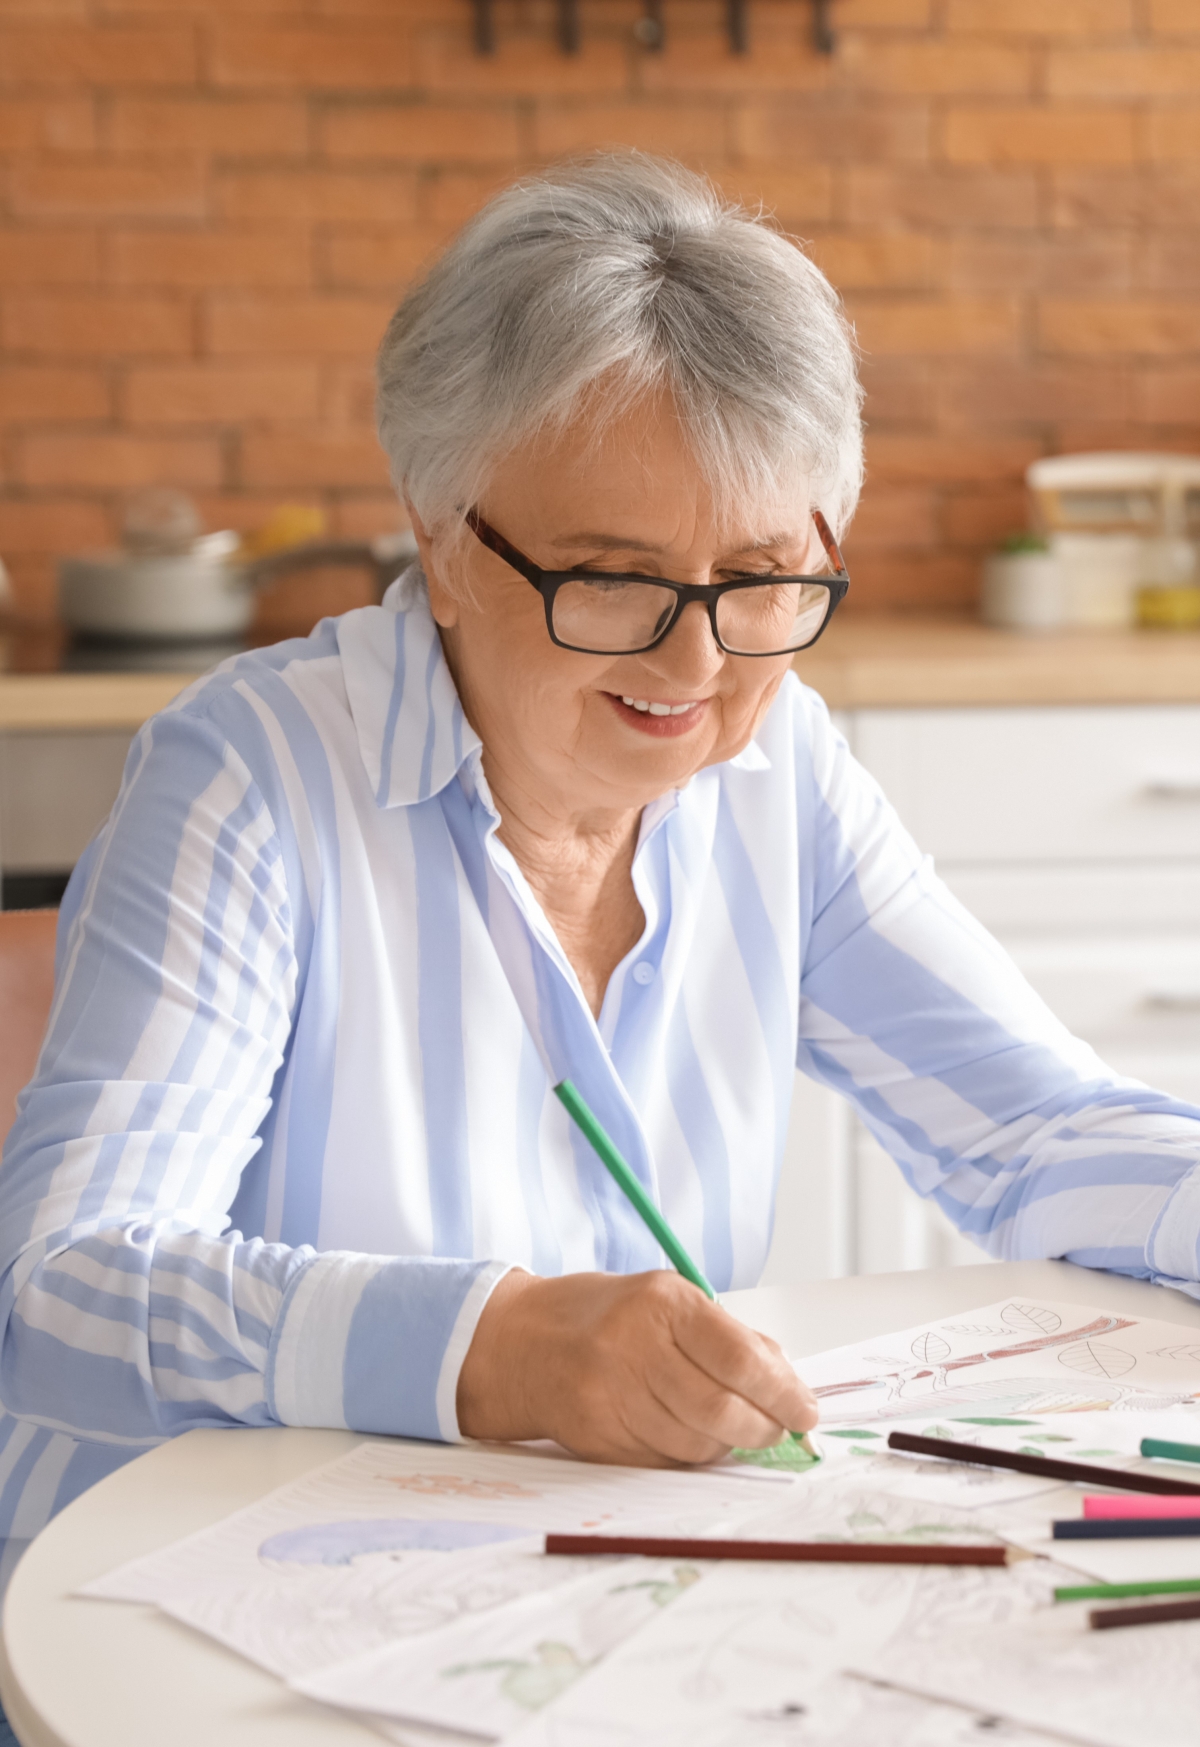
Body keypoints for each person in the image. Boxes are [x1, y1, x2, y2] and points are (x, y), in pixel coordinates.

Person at [3, 153, 1199, 1590]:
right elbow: (67, 1289)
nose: (694, 664)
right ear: (445, 548)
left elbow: (1035, 1134)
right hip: (167, 1600)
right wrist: (492, 1349)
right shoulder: (253, 774)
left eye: (762, 578)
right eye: (617, 578)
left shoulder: (781, 769)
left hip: (555, 1588)